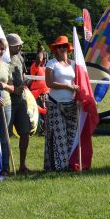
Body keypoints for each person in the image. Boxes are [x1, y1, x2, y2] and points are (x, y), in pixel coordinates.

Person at [44, 35, 79, 171]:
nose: (62, 48)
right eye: (59, 46)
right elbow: (49, 83)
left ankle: (69, 163)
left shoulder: (75, 64)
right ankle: (60, 166)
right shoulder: (51, 63)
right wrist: (68, 87)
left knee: (71, 135)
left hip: (71, 104)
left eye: (64, 46)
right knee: (59, 137)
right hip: (55, 103)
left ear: (68, 48)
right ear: (55, 49)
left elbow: (80, 83)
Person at [6, 33, 31, 174]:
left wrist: (25, 82)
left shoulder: (20, 57)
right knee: (7, 135)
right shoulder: (3, 59)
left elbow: (23, 74)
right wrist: (12, 90)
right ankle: (6, 166)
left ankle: (22, 165)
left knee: (25, 132)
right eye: (17, 45)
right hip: (8, 102)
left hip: (21, 101)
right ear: (9, 46)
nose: (20, 46)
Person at [0, 38, 13, 175]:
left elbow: (14, 88)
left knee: (5, 138)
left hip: (6, 104)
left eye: (2, 49)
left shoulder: (6, 65)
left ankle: (5, 168)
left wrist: (5, 86)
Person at [29, 46, 49, 134]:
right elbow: (39, 60)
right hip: (37, 96)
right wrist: (41, 50)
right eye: (43, 57)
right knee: (39, 115)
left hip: (47, 95)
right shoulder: (35, 67)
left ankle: (46, 130)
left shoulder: (47, 69)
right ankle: (39, 131)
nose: (44, 60)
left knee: (47, 114)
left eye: (45, 58)